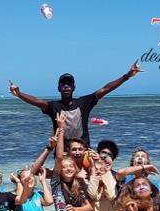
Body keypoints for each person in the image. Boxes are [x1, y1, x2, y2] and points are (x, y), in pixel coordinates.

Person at [9, 61, 142, 147]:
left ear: (74, 87)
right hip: (63, 153)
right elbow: (36, 101)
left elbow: (106, 89)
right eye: (63, 84)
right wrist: (19, 94)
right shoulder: (54, 106)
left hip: (83, 151)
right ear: (58, 88)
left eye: (69, 84)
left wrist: (127, 76)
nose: (66, 86)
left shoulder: (84, 103)